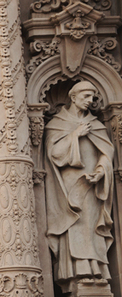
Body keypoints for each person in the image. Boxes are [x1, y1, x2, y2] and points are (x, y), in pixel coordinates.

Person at [45, 81, 115, 284]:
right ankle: (77, 272)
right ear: (72, 97)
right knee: (74, 224)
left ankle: (97, 270)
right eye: (85, 96)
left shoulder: (97, 125)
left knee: (91, 228)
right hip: (69, 185)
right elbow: (55, 154)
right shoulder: (57, 124)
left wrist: (101, 172)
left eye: (92, 97)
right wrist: (75, 135)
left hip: (93, 185)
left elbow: (106, 153)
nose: (89, 101)